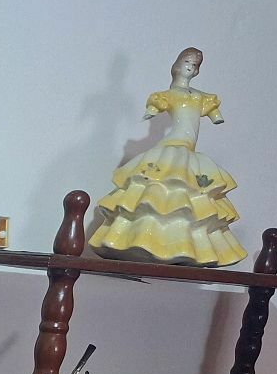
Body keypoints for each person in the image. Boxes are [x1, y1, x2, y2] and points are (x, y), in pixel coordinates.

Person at [90, 47, 245, 266]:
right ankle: (139, 239)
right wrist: (151, 111)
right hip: (173, 144)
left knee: (190, 198)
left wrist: (215, 114)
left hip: (188, 149)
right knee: (159, 192)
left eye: (195, 64)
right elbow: (153, 109)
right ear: (177, 66)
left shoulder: (201, 97)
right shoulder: (167, 95)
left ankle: (185, 245)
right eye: (187, 62)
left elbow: (215, 115)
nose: (191, 67)